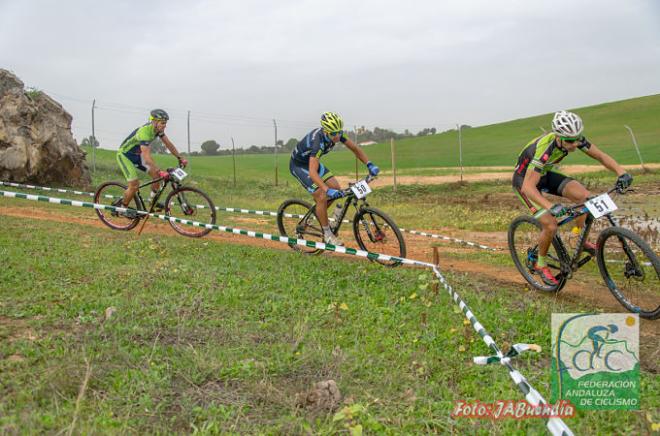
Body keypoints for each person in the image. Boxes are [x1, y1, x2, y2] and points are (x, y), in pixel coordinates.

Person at [512, 110, 632, 286]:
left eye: (577, 138)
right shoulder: (545, 149)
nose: (575, 144)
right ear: (558, 136)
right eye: (569, 141)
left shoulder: (573, 138)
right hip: (525, 182)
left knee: (585, 197)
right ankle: (540, 263)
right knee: (550, 224)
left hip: (543, 175)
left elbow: (600, 155)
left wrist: (622, 173)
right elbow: (529, 188)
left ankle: (578, 238)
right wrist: (551, 206)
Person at [289, 112, 380, 246]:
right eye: (333, 134)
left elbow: (355, 148)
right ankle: (327, 234)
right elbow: (313, 173)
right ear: (326, 131)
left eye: (339, 132)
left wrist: (369, 164)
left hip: (312, 163)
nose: (337, 136)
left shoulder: (337, 134)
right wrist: (326, 189)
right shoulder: (317, 142)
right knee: (321, 195)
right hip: (299, 166)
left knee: (336, 188)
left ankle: (318, 215)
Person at [114, 109, 188, 218]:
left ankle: (152, 202)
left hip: (137, 156)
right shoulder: (144, 131)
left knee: (156, 176)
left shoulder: (157, 130)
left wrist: (180, 157)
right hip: (125, 155)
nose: (164, 126)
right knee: (134, 185)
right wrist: (157, 169)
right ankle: (122, 209)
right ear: (154, 121)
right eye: (162, 123)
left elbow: (168, 144)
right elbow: (146, 156)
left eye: (165, 123)